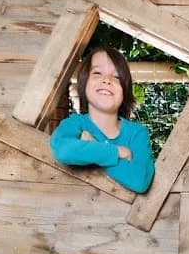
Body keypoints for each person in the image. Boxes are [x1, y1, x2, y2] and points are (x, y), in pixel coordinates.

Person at [49, 47, 155, 193]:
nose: (107, 80)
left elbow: (139, 180)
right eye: (97, 73)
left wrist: (92, 146)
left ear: (125, 89)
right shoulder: (74, 124)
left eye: (117, 77)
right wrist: (116, 152)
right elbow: (64, 151)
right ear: (84, 83)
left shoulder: (137, 133)